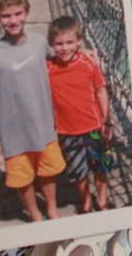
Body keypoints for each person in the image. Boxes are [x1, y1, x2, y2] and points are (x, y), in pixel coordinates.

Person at [0, 0, 65, 222]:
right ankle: (35, 215)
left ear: (27, 12)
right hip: (13, 133)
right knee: (22, 176)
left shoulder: (39, 43)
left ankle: (51, 209)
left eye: (18, 13)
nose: (13, 20)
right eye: (6, 16)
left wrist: (84, 52)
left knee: (48, 170)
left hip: (44, 125)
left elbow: (61, 59)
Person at [46, 16, 116, 214]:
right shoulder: (47, 68)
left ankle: (102, 201)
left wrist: (107, 122)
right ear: (51, 44)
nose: (65, 48)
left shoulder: (88, 62)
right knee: (78, 171)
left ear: (78, 41)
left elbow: (101, 91)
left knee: (101, 167)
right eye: (59, 44)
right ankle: (85, 201)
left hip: (94, 127)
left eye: (70, 42)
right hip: (67, 132)